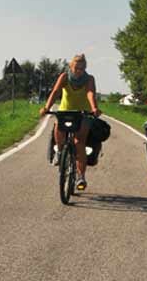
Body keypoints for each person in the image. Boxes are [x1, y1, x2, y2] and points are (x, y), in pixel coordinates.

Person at [39, 54, 102, 190]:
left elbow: (90, 93)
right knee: (58, 128)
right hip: (65, 111)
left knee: (79, 142)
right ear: (70, 66)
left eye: (82, 68)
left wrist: (94, 108)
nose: (79, 70)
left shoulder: (89, 79)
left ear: (85, 68)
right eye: (76, 67)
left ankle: (80, 176)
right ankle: (60, 152)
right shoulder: (64, 77)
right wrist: (46, 108)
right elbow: (55, 92)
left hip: (83, 113)